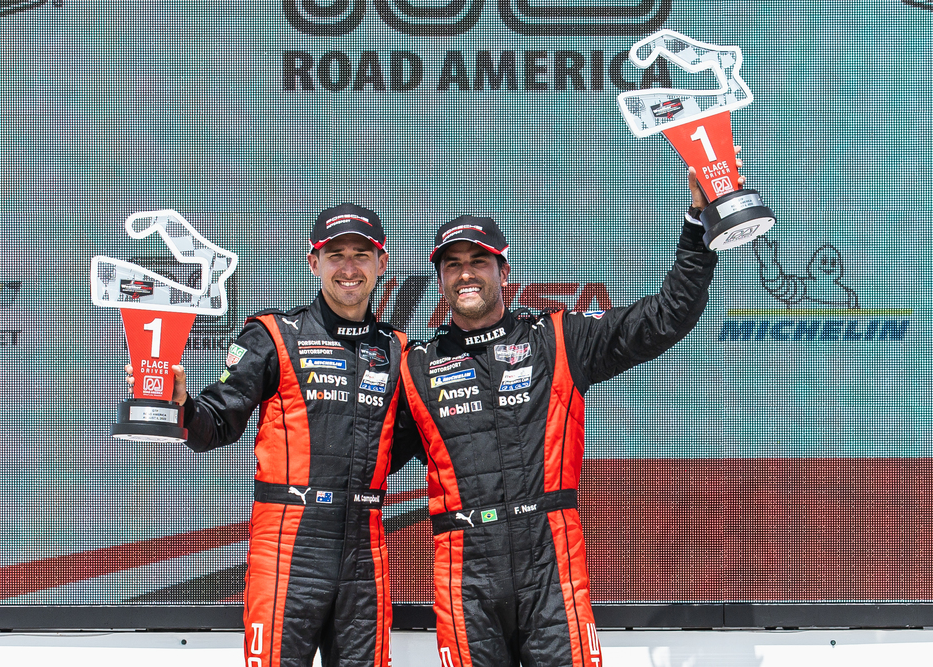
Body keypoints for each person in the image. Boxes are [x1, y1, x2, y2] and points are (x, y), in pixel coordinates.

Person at [398, 167, 730, 667]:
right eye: (453, 264)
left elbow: (665, 317)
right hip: (465, 572)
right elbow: (357, 452)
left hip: (550, 564)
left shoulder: (557, 339)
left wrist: (698, 222)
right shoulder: (417, 367)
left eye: (478, 261)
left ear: (503, 272)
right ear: (441, 279)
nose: (466, 273)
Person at [128, 203, 420, 667]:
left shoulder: (399, 350)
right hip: (287, 543)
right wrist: (181, 404)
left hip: (365, 551)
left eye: (361, 255)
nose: (348, 268)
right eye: (335, 255)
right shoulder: (273, 334)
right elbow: (216, 423)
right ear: (314, 263)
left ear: (381, 263)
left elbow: (419, 439)